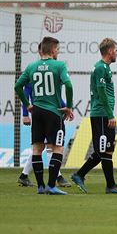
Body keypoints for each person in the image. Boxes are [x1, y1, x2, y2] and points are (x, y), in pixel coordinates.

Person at [14, 36, 74, 195]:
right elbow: (68, 85)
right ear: (53, 50)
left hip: (37, 113)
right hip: (53, 113)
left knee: (37, 148)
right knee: (58, 148)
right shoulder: (59, 65)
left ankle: (41, 187)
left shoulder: (31, 66)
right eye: (58, 49)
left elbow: (18, 86)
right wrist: (68, 106)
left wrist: (27, 105)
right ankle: (51, 185)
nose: (58, 52)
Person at [71, 38, 117, 194]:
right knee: (104, 150)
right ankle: (108, 185)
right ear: (110, 51)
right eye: (116, 50)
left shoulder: (105, 68)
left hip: (104, 114)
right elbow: (101, 92)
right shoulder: (100, 68)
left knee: (106, 150)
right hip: (102, 114)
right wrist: (110, 115)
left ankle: (82, 175)